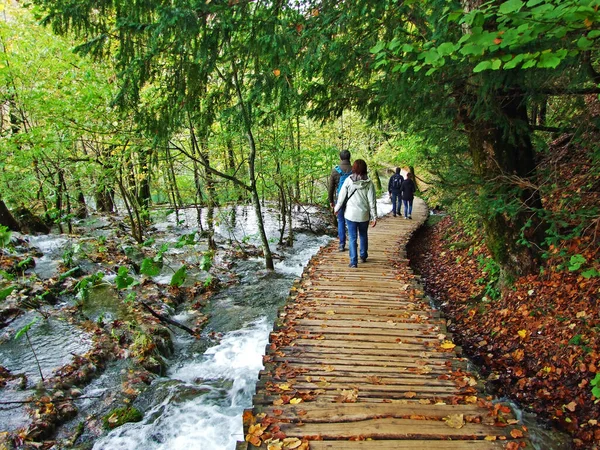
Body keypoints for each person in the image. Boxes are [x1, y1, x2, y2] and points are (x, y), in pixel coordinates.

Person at [334, 159, 377, 268]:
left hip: (351, 215)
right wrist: (374, 217)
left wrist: (337, 208)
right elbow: (372, 201)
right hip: (364, 215)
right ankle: (363, 255)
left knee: (352, 237)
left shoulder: (348, 180)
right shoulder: (369, 183)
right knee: (363, 235)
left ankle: (353, 261)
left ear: (354, 168)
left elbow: (341, 197)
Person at [328, 150, 352, 251]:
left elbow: (331, 188)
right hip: (352, 199)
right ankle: (352, 243)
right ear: (349, 158)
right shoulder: (354, 169)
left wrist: (331, 201)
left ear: (340, 158)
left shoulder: (335, 170)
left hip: (340, 199)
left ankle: (342, 244)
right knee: (351, 221)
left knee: (341, 221)